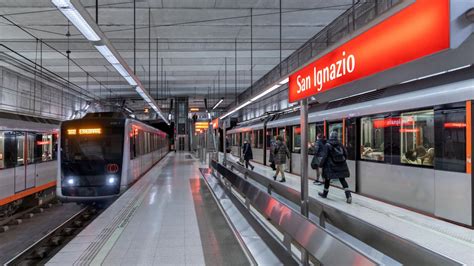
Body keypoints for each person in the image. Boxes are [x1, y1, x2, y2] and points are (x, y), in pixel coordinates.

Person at [318, 131, 352, 204]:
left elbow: (325, 156)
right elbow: (346, 154)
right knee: (342, 180)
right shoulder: (340, 144)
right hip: (341, 165)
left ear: (330, 137)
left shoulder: (327, 145)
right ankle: (348, 195)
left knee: (327, 179)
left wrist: (320, 164)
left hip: (330, 166)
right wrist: (342, 161)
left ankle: (325, 194)